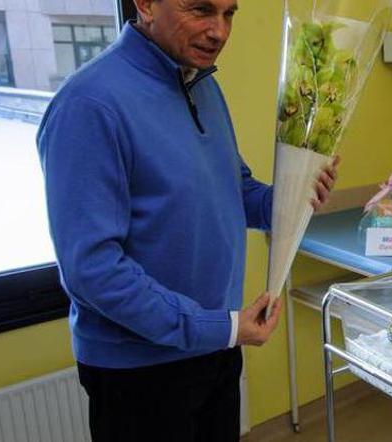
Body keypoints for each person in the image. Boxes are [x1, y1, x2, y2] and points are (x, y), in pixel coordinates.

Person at [36, 0, 338, 440]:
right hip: (140, 373)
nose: (219, 31)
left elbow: (235, 190)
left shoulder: (202, 85)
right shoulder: (88, 105)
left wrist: (295, 197)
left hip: (216, 347)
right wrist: (220, 327)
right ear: (145, 4)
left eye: (229, 14)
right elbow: (93, 269)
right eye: (200, 10)